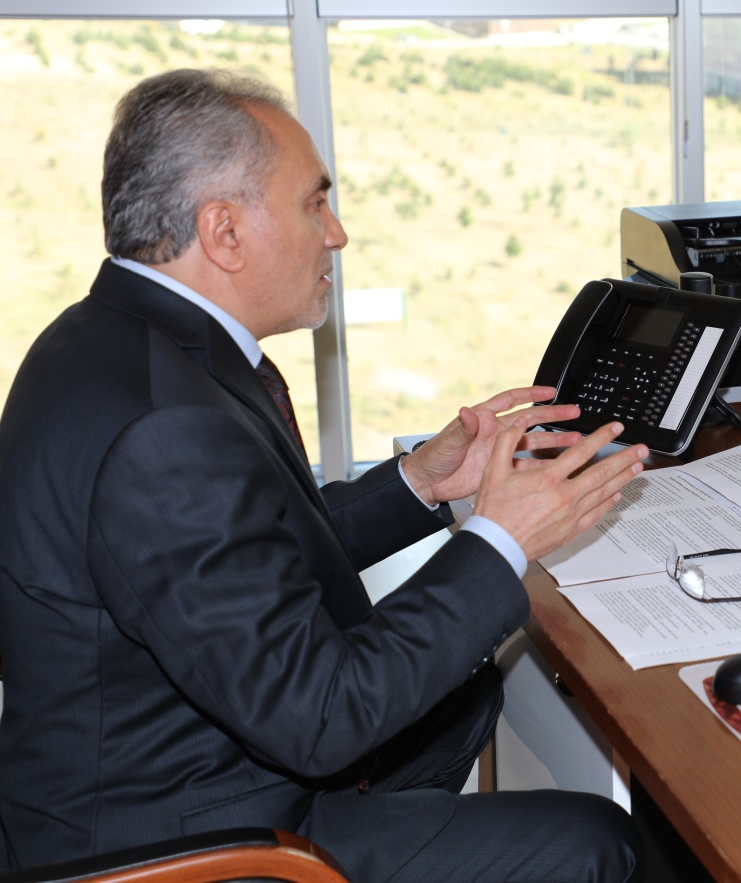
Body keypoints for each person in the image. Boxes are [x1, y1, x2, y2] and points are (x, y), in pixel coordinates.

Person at [0, 69, 649, 881]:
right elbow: (322, 719)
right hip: (184, 839)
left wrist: (419, 481)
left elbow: (243, 550)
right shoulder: (166, 428)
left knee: (467, 695)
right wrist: (500, 539)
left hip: (166, 756)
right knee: (598, 841)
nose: (335, 234)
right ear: (224, 231)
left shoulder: (107, 337)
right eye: (314, 203)